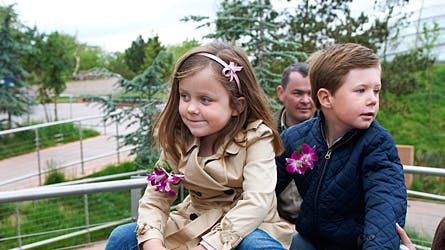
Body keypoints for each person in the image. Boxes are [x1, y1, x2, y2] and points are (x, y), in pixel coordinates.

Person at [106, 41, 293, 250]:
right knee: (122, 238)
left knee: (259, 248)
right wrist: (152, 242)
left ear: (237, 105)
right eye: (185, 96)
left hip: (245, 228)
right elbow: (157, 196)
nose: (191, 108)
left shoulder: (256, 138)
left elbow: (257, 202)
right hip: (195, 222)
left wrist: (208, 247)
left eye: (205, 100)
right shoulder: (179, 140)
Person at [275, 43, 407, 249]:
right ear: (326, 98)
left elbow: (385, 206)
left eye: (376, 90)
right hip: (309, 239)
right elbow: (264, 186)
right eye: (361, 90)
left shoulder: (377, 144)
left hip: (355, 245)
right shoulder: (296, 139)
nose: (372, 100)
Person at [275, 62, 316, 223]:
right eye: (298, 93)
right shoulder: (264, 132)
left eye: (310, 94)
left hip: (319, 229)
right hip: (275, 222)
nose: (305, 100)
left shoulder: (332, 132)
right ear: (281, 93)